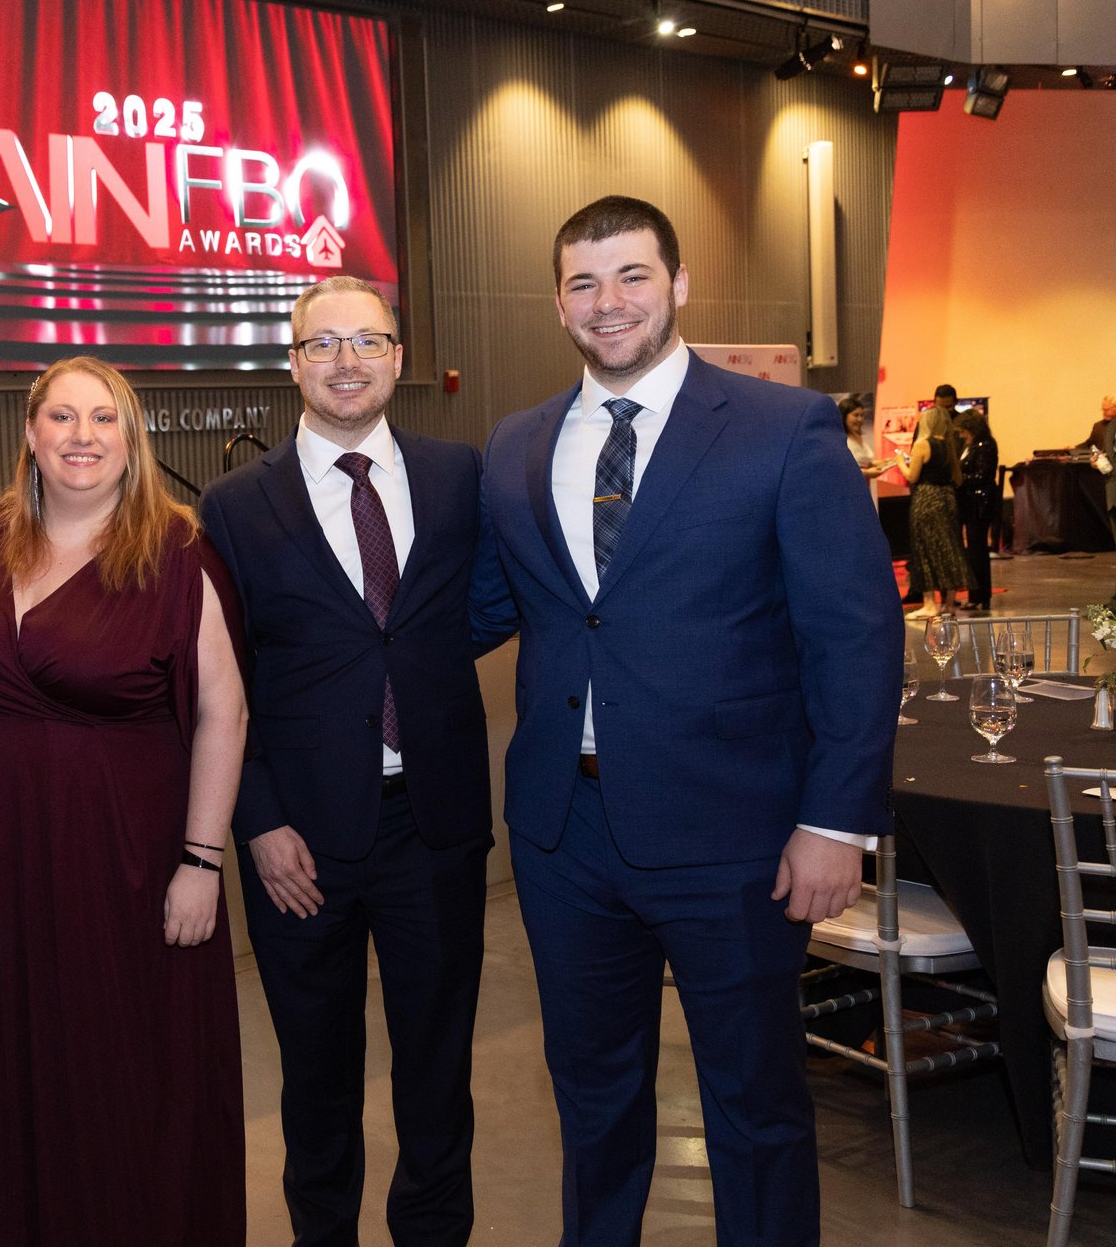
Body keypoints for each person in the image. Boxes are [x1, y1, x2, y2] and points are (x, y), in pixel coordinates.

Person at [469, 196, 901, 1247]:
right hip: (566, 836)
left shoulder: (782, 429)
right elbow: (476, 611)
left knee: (753, 1106)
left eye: (631, 276)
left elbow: (856, 633)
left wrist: (836, 821)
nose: (607, 302)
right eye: (583, 281)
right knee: (593, 1100)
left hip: (737, 838)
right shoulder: (519, 443)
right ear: (557, 302)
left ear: (680, 285)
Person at [199, 277, 494, 1247]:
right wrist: (260, 820)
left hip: (436, 824)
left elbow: (479, 610)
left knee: (438, 1070)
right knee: (317, 1077)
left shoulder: (459, 477)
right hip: (300, 842)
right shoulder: (237, 507)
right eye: (322, 344)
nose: (347, 360)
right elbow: (221, 678)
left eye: (367, 340)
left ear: (399, 357)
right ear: (292, 363)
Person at [0, 356, 248, 1245]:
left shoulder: (177, 548)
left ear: (130, 438)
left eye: (104, 419)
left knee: (138, 1075)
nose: (82, 437)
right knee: (28, 1069)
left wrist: (201, 860)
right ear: (30, 435)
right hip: (5, 852)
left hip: (133, 850)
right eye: (62, 418)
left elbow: (226, 711)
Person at [899, 404, 966, 619]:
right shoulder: (949, 444)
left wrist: (900, 461)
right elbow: (957, 478)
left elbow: (912, 476)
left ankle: (929, 603)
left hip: (926, 500)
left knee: (925, 549)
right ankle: (948, 604)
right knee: (949, 548)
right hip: (947, 499)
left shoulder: (922, 444)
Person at [954, 408, 999, 614]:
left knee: (978, 550)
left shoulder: (985, 444)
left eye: (963, 430)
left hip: (979, 503)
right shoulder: (972, 445)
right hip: (972, 502)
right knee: (974, 550)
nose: (961, 435)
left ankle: (981, 594)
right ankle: (977, 594)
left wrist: (958, 480)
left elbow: (983, 475)